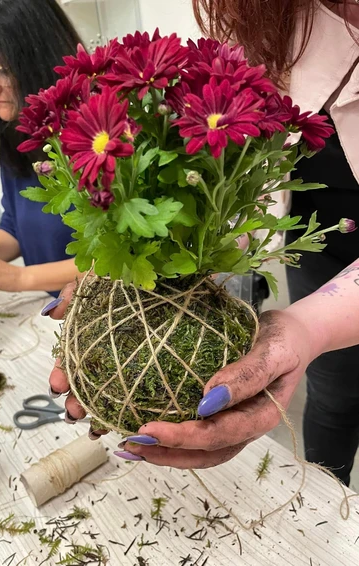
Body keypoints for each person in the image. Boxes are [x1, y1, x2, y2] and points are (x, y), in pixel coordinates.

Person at [45, 0, 359, 482]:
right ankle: (323, 497)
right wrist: (140, 256)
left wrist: (310, 327)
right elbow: (228, 155)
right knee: (335, 390)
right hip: (320, 230)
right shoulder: (270, 14)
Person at [0, 0, 84, 297]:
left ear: (43, 60)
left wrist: (22, 278)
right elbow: (15, 229)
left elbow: (121, 259)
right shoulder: (17, 133)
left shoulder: (99, 141)